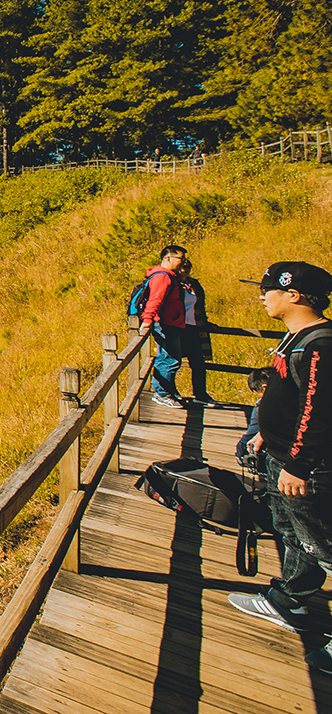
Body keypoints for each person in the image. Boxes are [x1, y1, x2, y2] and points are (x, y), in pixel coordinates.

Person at [228, 261, 332, 675]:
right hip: (281, 456)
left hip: (305, 466)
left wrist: (299, 465)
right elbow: (288, 395)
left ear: (295, 295)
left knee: (324, 544)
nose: (261, 295)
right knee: (294, 535)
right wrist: (264, 436)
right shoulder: (298, 337)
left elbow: (319, 410)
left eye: (268, 289)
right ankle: (288, 601)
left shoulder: (321, 343)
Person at [137, 245, 188, 408]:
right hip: (166, 324)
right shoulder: (163, 277)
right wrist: (147, 320)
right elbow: (155, 300)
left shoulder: (170, 277)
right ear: (168, 258)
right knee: (168, 359)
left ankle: (168, 391)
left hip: (171, 323)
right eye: (181, 258)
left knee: (170, 359)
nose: (183, 262)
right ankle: (162, 393)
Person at [177, 258, 215, 405]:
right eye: (182, 267)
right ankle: (169, 393)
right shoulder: (172, 284)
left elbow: (200, 305)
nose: (185, 270)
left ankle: (200, 394)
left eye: (188, 267)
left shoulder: (194, 285)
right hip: (176, 327)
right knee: (172, 361)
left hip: (194, 327)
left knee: (198, 362)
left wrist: (205, 322)